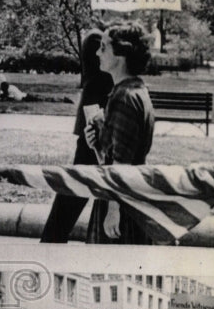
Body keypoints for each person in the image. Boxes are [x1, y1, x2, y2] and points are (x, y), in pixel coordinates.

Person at [41, 29, 113, 242]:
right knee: (74, 189)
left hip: (94, 120)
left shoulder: (96, 36)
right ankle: (52, 239)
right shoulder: (96, 38)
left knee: (74, 189)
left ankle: (52, 238)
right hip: (94, 123)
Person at [85, 25, 155, 244]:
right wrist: (97, 145)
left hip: (120, 200)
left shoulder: (124, 97)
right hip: (131, 193)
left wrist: (113, 210)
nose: (98, 53)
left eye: (104, 48)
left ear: (121, 54)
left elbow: (121, 163)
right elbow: (118, 154)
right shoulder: (135, 89)